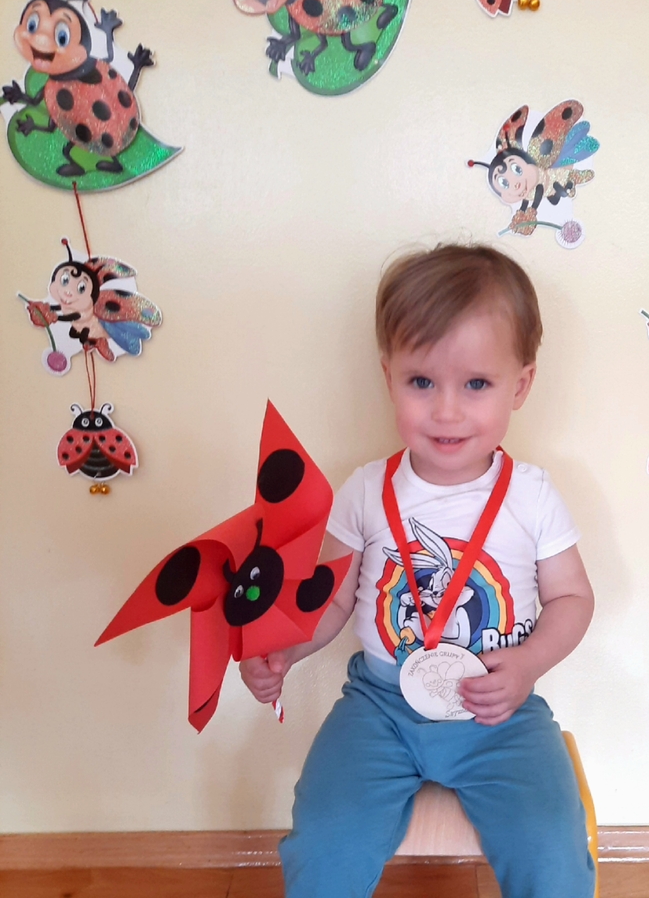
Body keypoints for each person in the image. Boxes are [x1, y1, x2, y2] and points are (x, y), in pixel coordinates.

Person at [240, 243, 596, 897]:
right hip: (379, 709)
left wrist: (527, 664)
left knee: (553, 847)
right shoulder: (363, 491)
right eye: (422, 382)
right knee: (323, 838)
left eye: (477, 384)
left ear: (520, 385)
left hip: (501, 714)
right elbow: (333, 600)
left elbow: (572, 598)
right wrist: (285, 649)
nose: (447, 410)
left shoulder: (532, 495)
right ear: (389, 376)